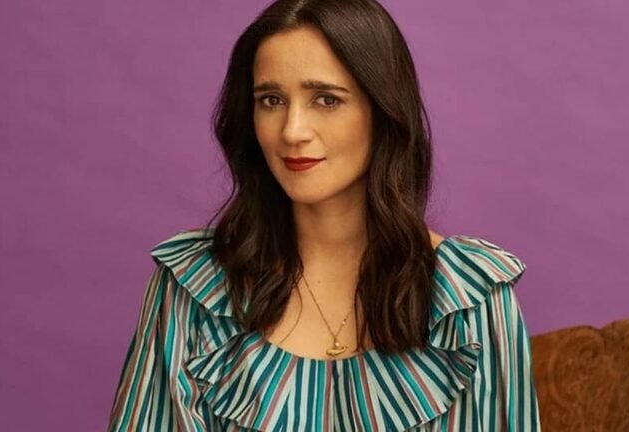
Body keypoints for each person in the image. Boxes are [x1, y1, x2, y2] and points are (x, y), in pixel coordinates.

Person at [107, 0, 541, 430]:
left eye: (326, 99)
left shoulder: (468, 302)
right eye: (271, 99)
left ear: (384, 110)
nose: (292, 130)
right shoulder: (194, 288)